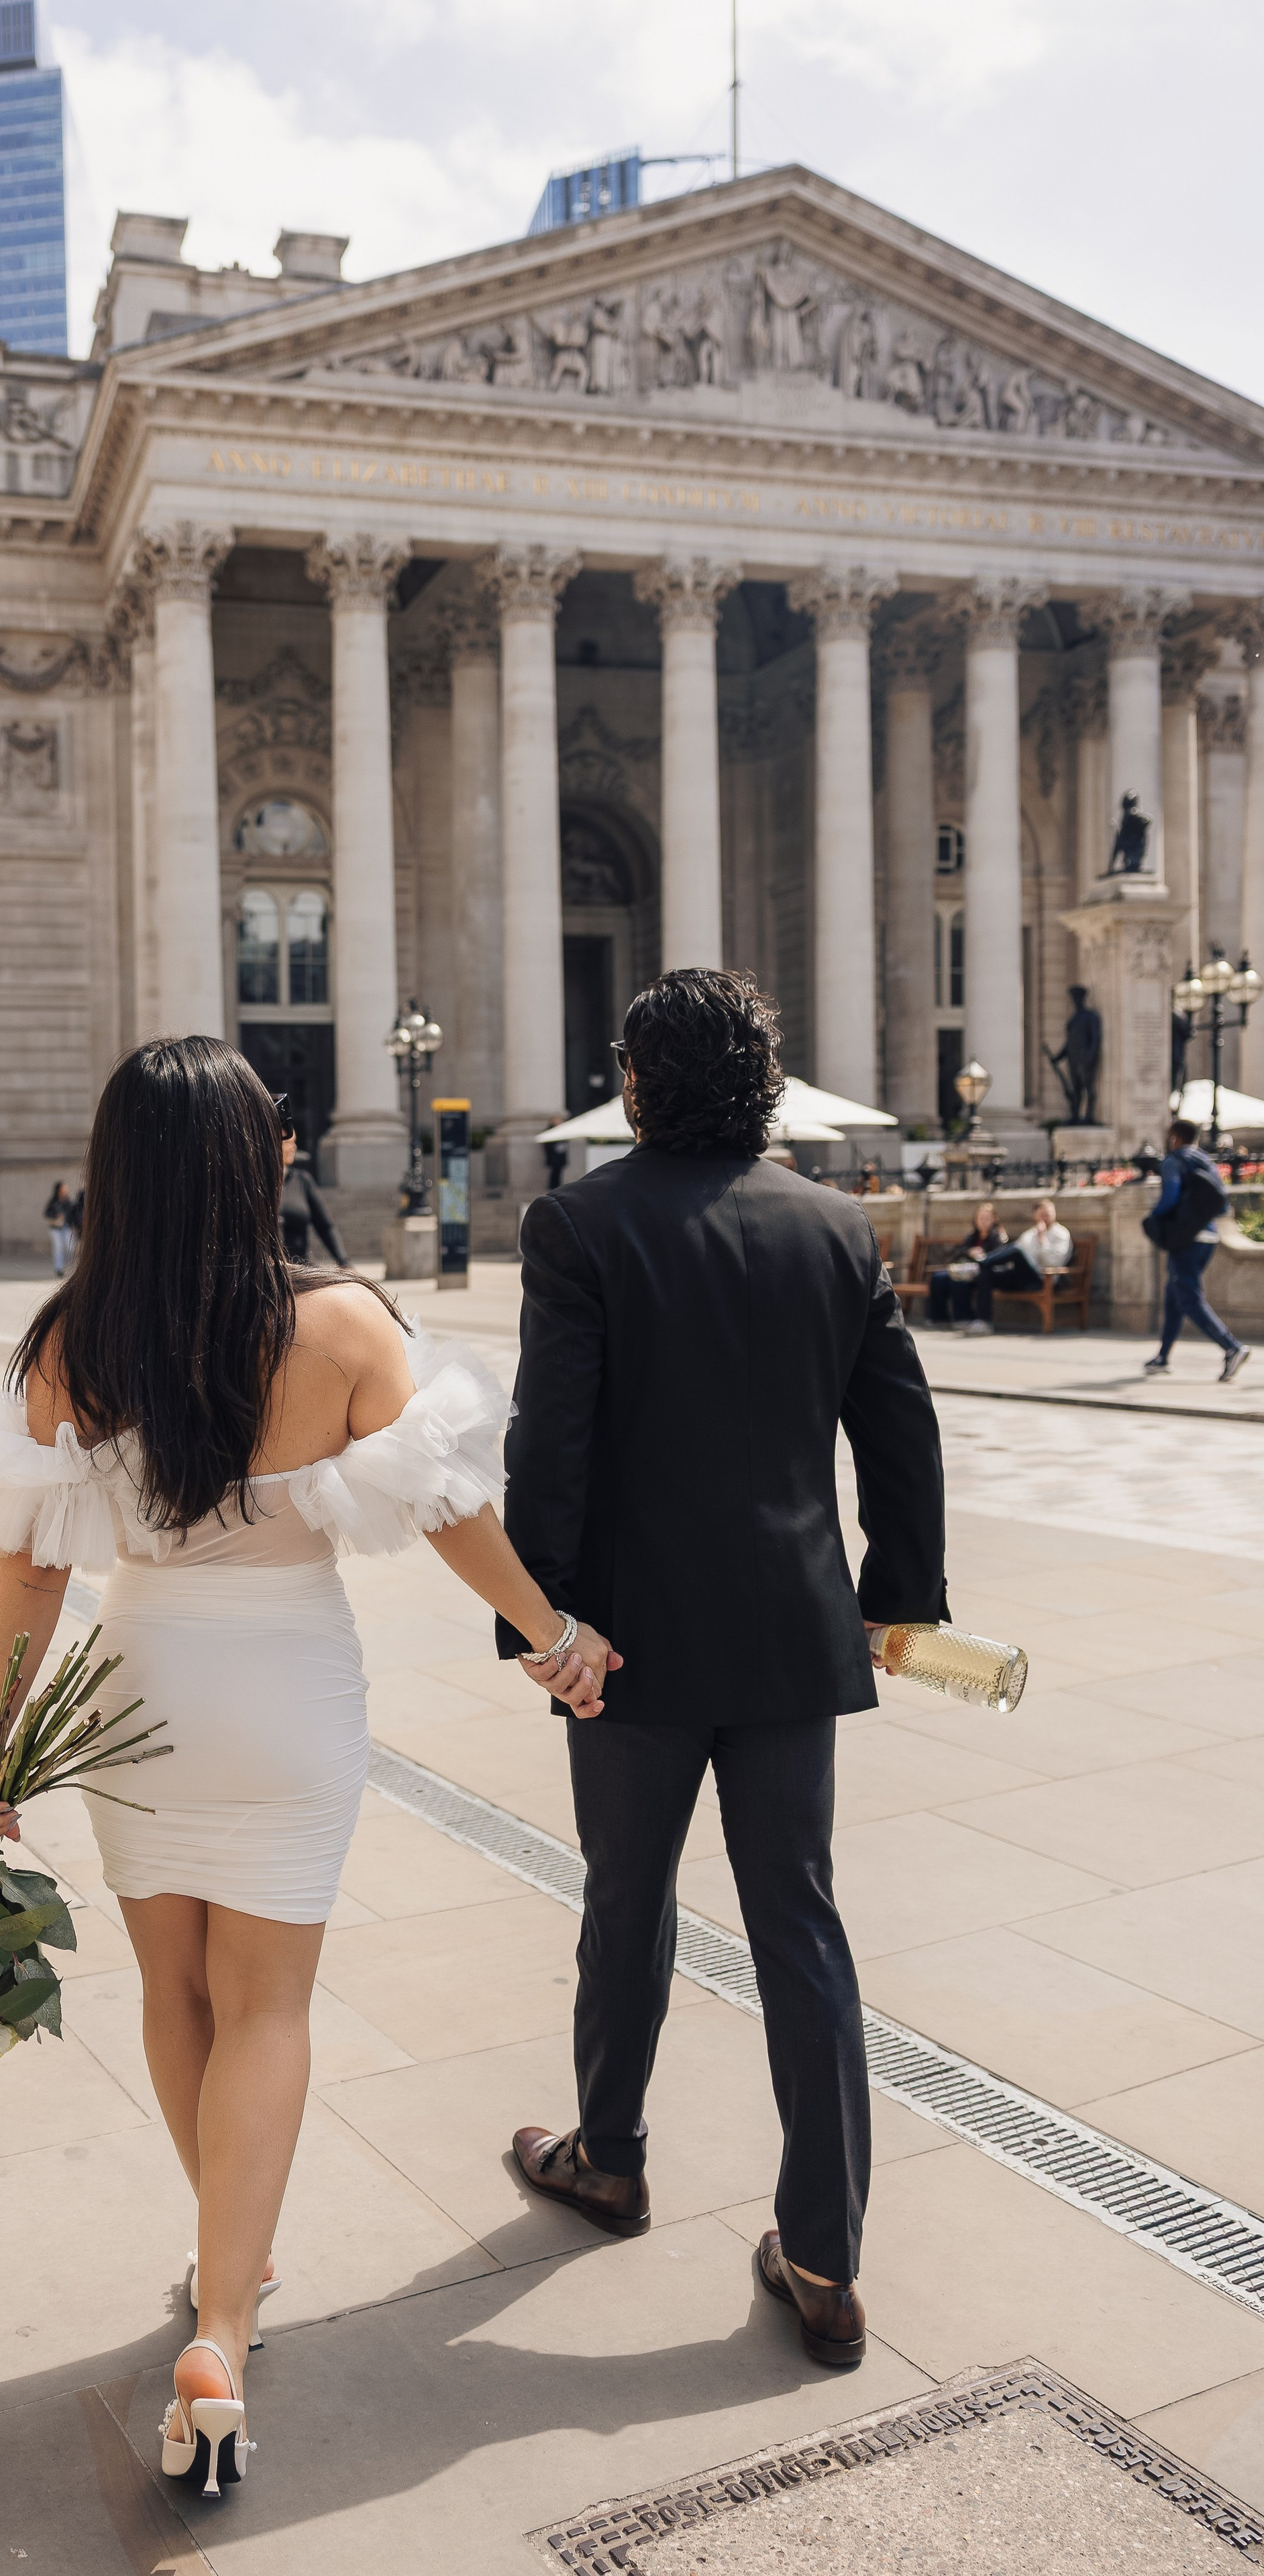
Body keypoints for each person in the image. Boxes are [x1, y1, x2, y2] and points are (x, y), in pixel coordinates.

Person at [0, 1037, 613, 2498]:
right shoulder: (344, 1323)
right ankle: (224, 2321)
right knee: (269, 2008)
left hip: (136, 1697)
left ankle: (218, 2273)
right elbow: (449, 1518)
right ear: (266, 1161)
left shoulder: (68, 1340)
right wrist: (551, 1631)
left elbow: (34, 1579)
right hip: (289, 1697)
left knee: (175, 1995)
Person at [500, 969, 946, 2373]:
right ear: (761, 1085)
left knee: (625, 1902)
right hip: (785, 1637)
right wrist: (899, 1599)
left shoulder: (580, 1224)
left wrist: (542, 1625)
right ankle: (821, 2250)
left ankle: (609, 2158)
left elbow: (548, 1449)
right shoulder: (831, 1226)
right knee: (798, 1927)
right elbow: (901, 1432)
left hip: (627, 1644)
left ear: (636, 1082)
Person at [1144, 1118, 1249, 1384]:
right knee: (1174, 1295)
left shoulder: (1174, 1161)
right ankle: (1163, 1357)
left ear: (1175, 1138)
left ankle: (1231, 1347)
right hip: (1209, 1237)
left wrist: (1153, 1218)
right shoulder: (1205, 1160)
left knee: (1189, 1299)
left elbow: (1170, 1196)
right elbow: (1222, 1204)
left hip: (1186, 1240)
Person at [962, 1197, 1071, 1335]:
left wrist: (1042, 1240)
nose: (1045, 1217)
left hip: (1041, 1280)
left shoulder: (1061, 1234)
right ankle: (984, 1323)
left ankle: (982, 1262)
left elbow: (1054, 1263)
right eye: (1042, 1214)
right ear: (1035, 1216)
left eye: (1048, 1214)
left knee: (1017, 1251)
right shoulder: (1029, 1234)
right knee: (986, 1274)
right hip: (1021, 1278)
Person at [276, 1110, 347, 1265]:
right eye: (288, 1142)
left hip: (302, 1267)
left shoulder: (302, 1181)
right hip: (271, 1270)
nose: (294, 1147)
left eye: (295, 1142)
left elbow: (326, 1227)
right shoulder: (259, 1184)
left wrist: (344, 1262)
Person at [926, 1200, 1007, 1327]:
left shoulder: (998, 1236)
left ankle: (964, 1318)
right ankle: (940, 1318)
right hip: (964, 1267)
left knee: (959, 1280)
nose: (983, 1221)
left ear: (994, 1219)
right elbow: (959, 1252)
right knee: (937, 1278)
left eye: (987, 1218)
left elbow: (999, 1256)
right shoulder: (973, 1235)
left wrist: (983, 1255)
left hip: (981, 1272)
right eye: (980, 1218)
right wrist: (970, 1252)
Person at [44, 1181, 74, 1278]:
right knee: (58, 1247)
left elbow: (72, 1213)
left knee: (70, 1247)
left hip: (66, 1227)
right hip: (55, 1228)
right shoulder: (53, 1202)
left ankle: (67, 1265)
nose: (64, 1191)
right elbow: (47, 1214)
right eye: (62, 1189)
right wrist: (56, 1216)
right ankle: (59, 1268)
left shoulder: (67, 1201)